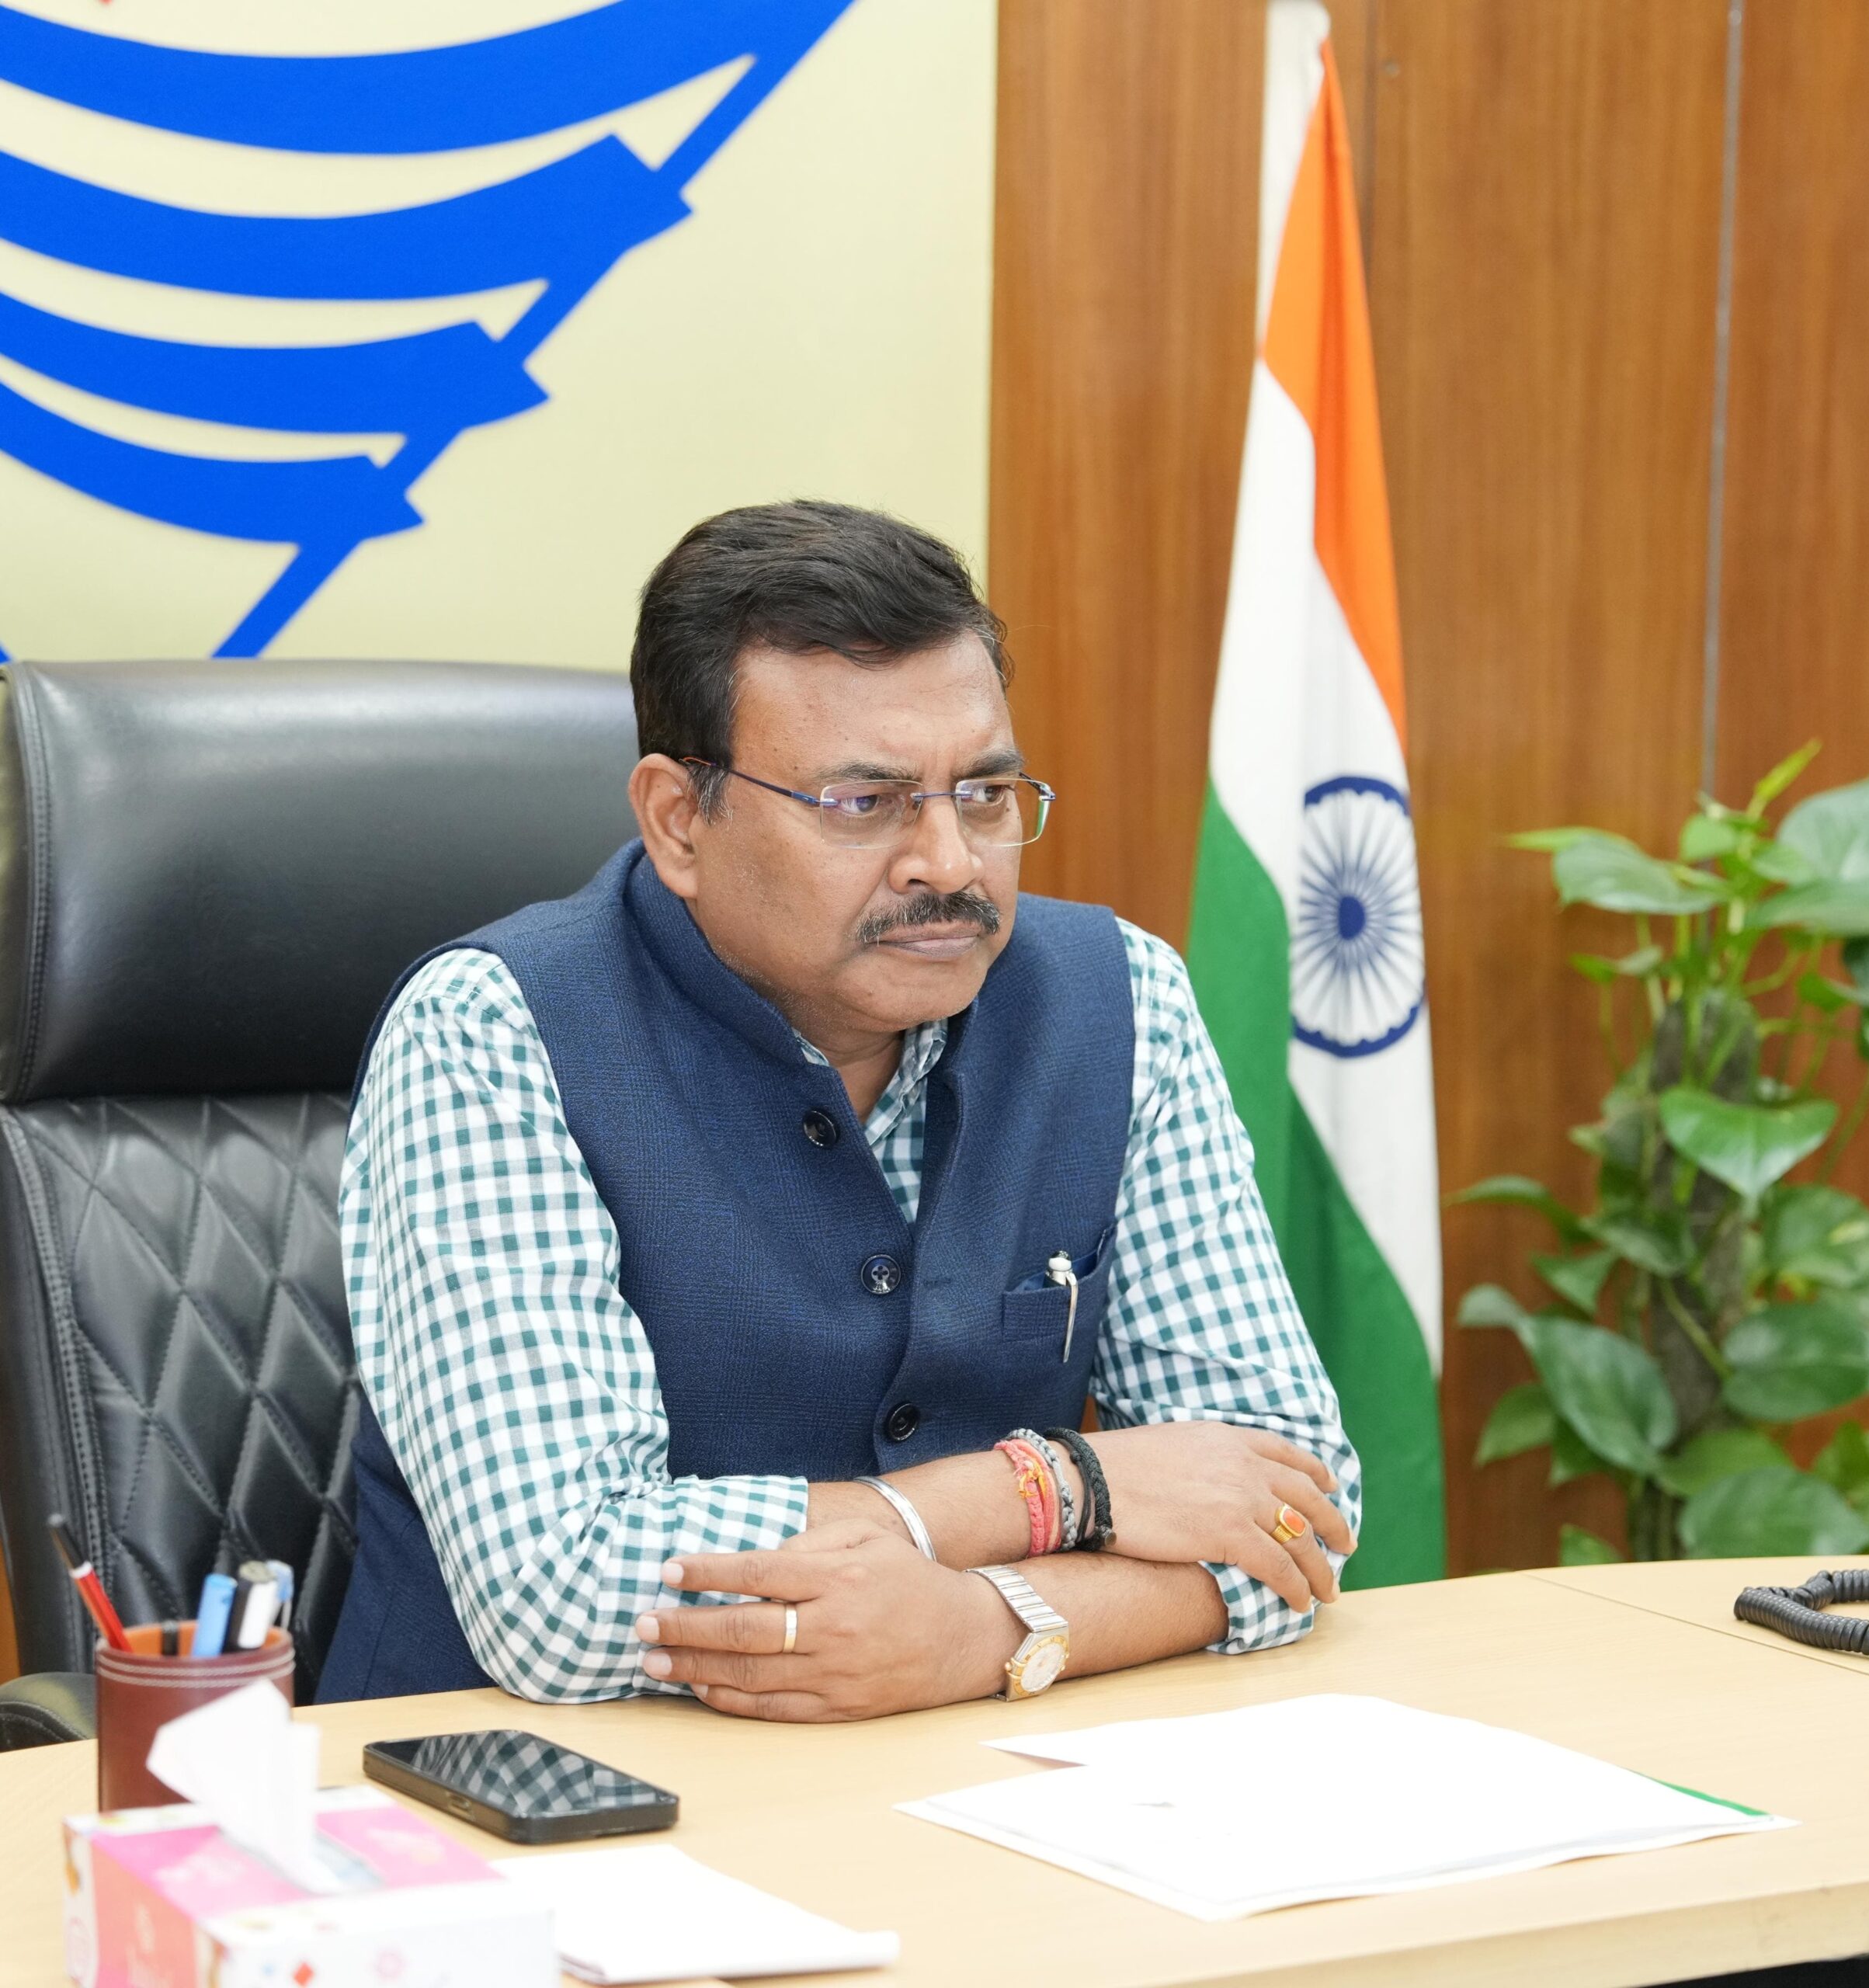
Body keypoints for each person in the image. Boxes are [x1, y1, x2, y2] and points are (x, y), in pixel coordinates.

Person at [318, 499, 1360, 1719]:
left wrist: (984, 1632)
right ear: (678, 821)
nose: (950, 865)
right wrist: (1058, 1491)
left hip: (969, 1776)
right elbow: (562, 1593)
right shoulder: (491, 1032)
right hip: (529, 1788)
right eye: (865, 804)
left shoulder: (1120, 997)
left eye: (983, 794)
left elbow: (1295, 1508)